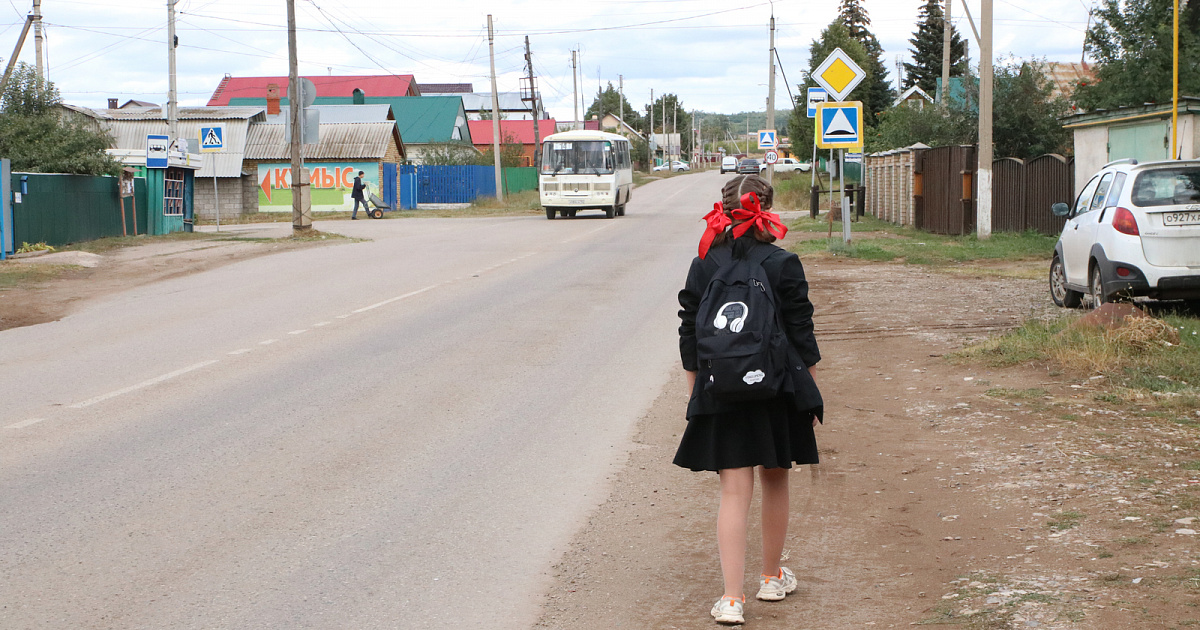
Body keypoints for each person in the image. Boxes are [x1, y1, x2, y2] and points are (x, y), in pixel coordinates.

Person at [674, 174, 823, 625]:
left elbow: (689, 331)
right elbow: (802, 333)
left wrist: (695, 389)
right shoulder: (783, 262)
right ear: (767, 209)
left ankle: (732, 599)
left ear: (723, 209)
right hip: (775, 389)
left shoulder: (705, 263)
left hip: (720, 388)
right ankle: (772, 577)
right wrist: (809, 393)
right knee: (776, 478)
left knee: (733, 490)